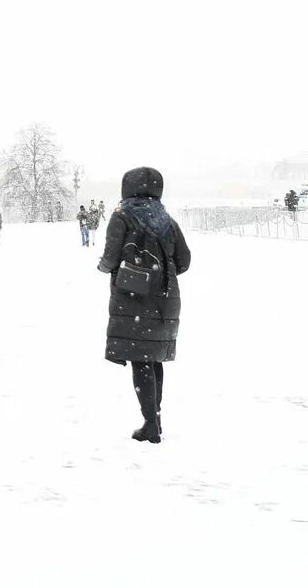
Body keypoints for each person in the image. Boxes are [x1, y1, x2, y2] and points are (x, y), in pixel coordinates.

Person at [97, 167, 190, 444]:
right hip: (164, 299)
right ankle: (155, 418)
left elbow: (111, 258)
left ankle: (151, 424)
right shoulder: (167, 220)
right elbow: (184, 261)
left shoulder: (122, 215)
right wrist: (161, 273)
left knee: (141, 360)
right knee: (153, 358)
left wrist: (106, 267)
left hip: (133, 297)